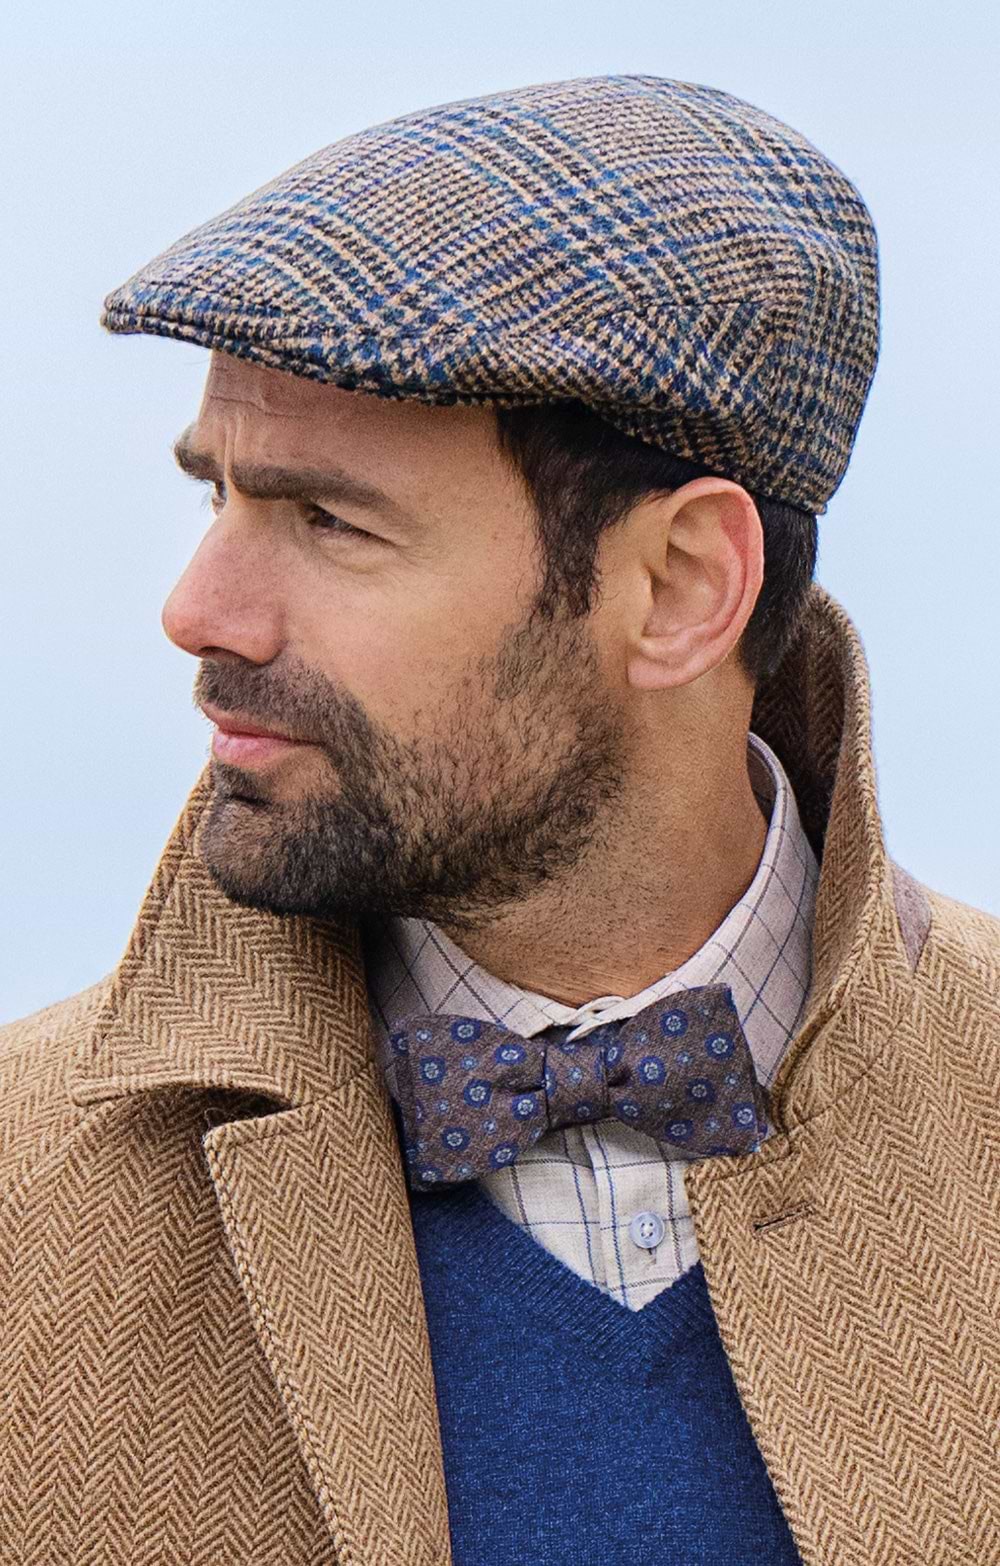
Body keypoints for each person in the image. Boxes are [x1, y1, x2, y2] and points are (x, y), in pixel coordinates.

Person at [1, 73, 996, 1566]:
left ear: (680, 586)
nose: (198, 610)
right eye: (218, 497)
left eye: (330, 520)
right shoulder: (25, 1202)